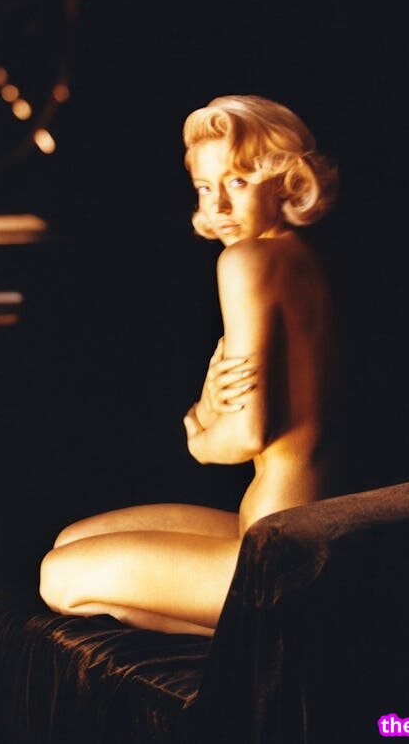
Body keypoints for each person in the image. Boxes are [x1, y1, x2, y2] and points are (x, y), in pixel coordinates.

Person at [39, 94, 338, 635]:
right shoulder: (300, 258)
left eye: (238, 181)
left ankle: (272, 634)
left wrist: (198, 436)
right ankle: (261, 635)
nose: (218, 205)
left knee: (57, 577)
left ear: (284, 181)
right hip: (292, 535)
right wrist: (206, 409)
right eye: (205, 186)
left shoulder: (245, 260)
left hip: (279, 558)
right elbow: (258, 405)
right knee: (70, 542)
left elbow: (245, 433)